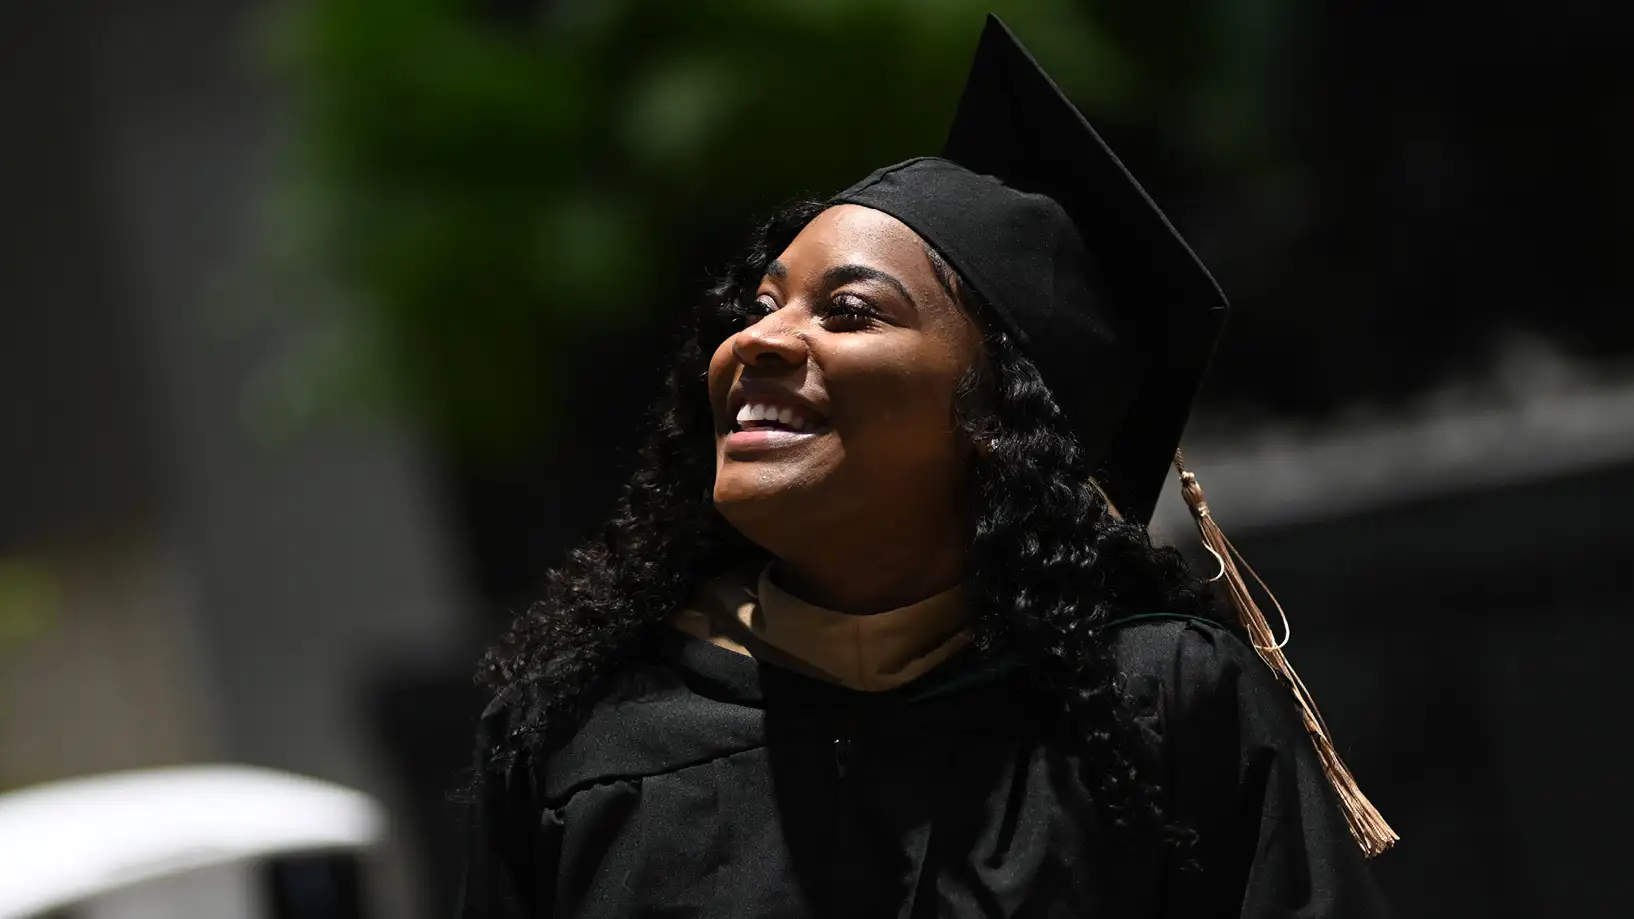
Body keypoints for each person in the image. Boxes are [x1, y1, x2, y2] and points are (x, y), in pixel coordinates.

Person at [459, 15, 1396, 919]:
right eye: (763, 302)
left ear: (996, 417)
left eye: (850, 311)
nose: (757, 340)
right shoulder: (583, 747)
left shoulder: (1153, 705)